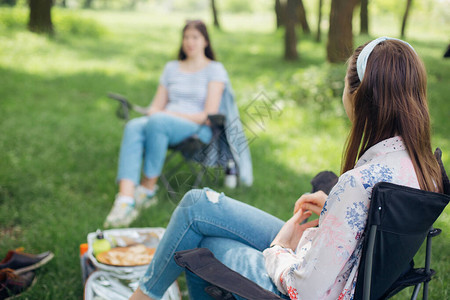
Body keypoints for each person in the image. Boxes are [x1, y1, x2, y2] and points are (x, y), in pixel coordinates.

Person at [129, 37, 444, 300]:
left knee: (204, 241)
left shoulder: (357, 184)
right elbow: (367, 231)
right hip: (333, 262)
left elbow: (307, 291)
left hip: (305, 282)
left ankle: (141, 296)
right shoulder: (425, 168)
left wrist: (280, 248)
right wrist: (335, 211)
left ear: (356, 94)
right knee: (197, 204)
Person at [104, 20, 230, 228]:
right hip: (162, 123)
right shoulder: (171, 68)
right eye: (186, 37)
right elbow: (156, 106)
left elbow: (208, 114)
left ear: (205, 41)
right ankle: (125, 199)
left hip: (197, 127)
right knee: (133, 126)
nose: (190, 42)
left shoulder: (214, 70)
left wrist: (169, 114)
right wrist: (156, 113)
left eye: (195, 37)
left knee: (159, 121)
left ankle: (146, 190)